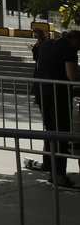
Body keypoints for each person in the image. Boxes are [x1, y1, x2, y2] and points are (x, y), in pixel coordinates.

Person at [31, 30, 80, 187]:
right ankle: (58, 174)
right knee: (61, 133)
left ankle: (50, 167)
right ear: (74, 40)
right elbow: (72, 75)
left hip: (41, 91)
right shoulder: (68, 48)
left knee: (51, 130)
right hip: (57, 95)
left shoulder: (47, 44)